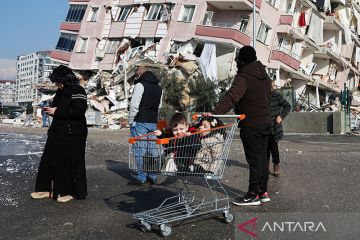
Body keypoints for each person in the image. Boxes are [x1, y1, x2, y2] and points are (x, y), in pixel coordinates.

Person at [211, 45, 272, 206]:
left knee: (254, 160)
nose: (237, 62)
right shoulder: (264, 76)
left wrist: (214, 114)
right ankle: (262, 191)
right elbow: (268, 96)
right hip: (266, 121)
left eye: (238, 59)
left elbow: (231, 97)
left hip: (251, 123)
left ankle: (253, 194)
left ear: (242, 60)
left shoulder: (243, 77)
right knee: (263, 159)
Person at [31, 65, 88, 203]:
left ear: (65, 79)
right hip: (57, 131)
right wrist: (50, 110)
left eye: (58, 81)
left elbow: (79, 111)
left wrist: (56, 112)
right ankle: (44, 189)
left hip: (74, 133)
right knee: (48, 160)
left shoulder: (78, 90)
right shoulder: (60, 92)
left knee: (68, 163)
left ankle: (67, 191)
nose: (57, 84)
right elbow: (59, 108)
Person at [129, 64, 162, 185]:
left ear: (139, 74)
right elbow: (159, 106)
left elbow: (134, 105)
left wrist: (131, 120)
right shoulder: (159, 87)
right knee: (152, 150)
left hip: (140, 120)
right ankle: (152, 175)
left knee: (140, 149)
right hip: (153, 121)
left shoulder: (140, 85)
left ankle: (141, 176)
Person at [268, 81, 291, 177]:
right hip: (263, 126)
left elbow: (287, 106)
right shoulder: (261, 96)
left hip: (274, 127)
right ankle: (265, 165)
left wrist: (281, 116)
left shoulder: (276, 95)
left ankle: (276, 164)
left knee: (273, 148)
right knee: (264, 149)